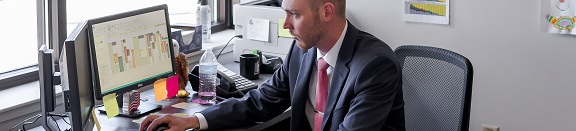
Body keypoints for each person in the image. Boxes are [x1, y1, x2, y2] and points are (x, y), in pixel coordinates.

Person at [140, 0, 405, 130]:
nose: (286, 24)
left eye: (295, 14)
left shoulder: (374, 66)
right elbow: (259, 102)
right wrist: (193, 120)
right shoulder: (302, 51)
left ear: (326, 12)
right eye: (285, 13)